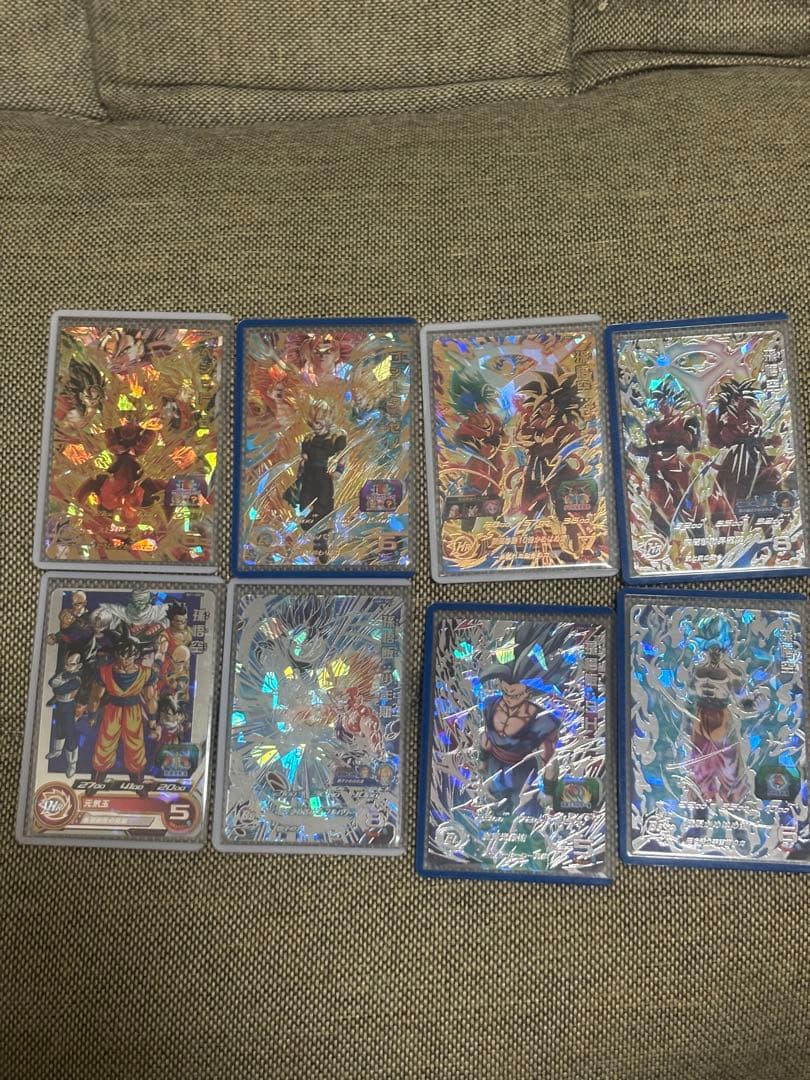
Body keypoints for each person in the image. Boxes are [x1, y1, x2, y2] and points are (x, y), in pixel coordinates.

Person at [479, 623, 560, 811]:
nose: (508, 699)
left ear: (528, 692)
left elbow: (549, 759)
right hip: (495, 770)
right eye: (505, 691)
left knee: (526, 813)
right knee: (495, 811)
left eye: (515, 695)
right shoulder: (491, 704)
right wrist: (483, 760)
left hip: (523, 773)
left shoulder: (542, 720)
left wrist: (548, 791)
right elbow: (486, 736)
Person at [687, 615, 749, 805]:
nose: (715, 653)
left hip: (722, 720)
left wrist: (757, 704)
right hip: (701, 718)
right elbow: (689, 697)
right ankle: (701, 803)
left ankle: (733, 803)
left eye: (719, 649)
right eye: (711, 648)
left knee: (729, 767)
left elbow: (743, 702)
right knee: (700, 765)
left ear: (724, 648)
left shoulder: (732, 673)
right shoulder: (697, 670)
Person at [85, 627, 158, 785]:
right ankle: (97, 781)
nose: (124, 660)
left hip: (133, 711)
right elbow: (95, 696)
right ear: (116, 654)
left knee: (135, 745)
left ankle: (137, 783)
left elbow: (150, 698)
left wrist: (152, 718)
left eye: (129, 656)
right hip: (112, 710)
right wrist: (92, 715)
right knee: (105, 743)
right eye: (121, 655)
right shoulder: (104, 671)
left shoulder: (146, 673)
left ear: (136, 655)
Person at [283, 400, 347, 529]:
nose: (314, 426)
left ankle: (323, 528)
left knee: (323, 503)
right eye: (312, 422)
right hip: (308, 476)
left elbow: (343, 455)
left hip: (323, 475)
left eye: (318, 422)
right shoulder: (309, 439)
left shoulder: (335, 438)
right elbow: (303, 460)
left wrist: (339, 470)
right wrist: (300, 473)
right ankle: (307, 528)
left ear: (327, 420)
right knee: (304, 503)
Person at [45, 653, 84, 778]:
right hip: (59, 705)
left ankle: (72, 764)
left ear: (78, 665)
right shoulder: (63, 674)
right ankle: (57, 751)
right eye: (67, 664)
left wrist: (59, 684)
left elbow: (59, 689)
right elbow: (51, 682)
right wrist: (59, 683)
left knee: (69, 734)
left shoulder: (76, 680)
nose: (67, 666)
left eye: (71, 664)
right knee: (58, 728)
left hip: (69, 706)